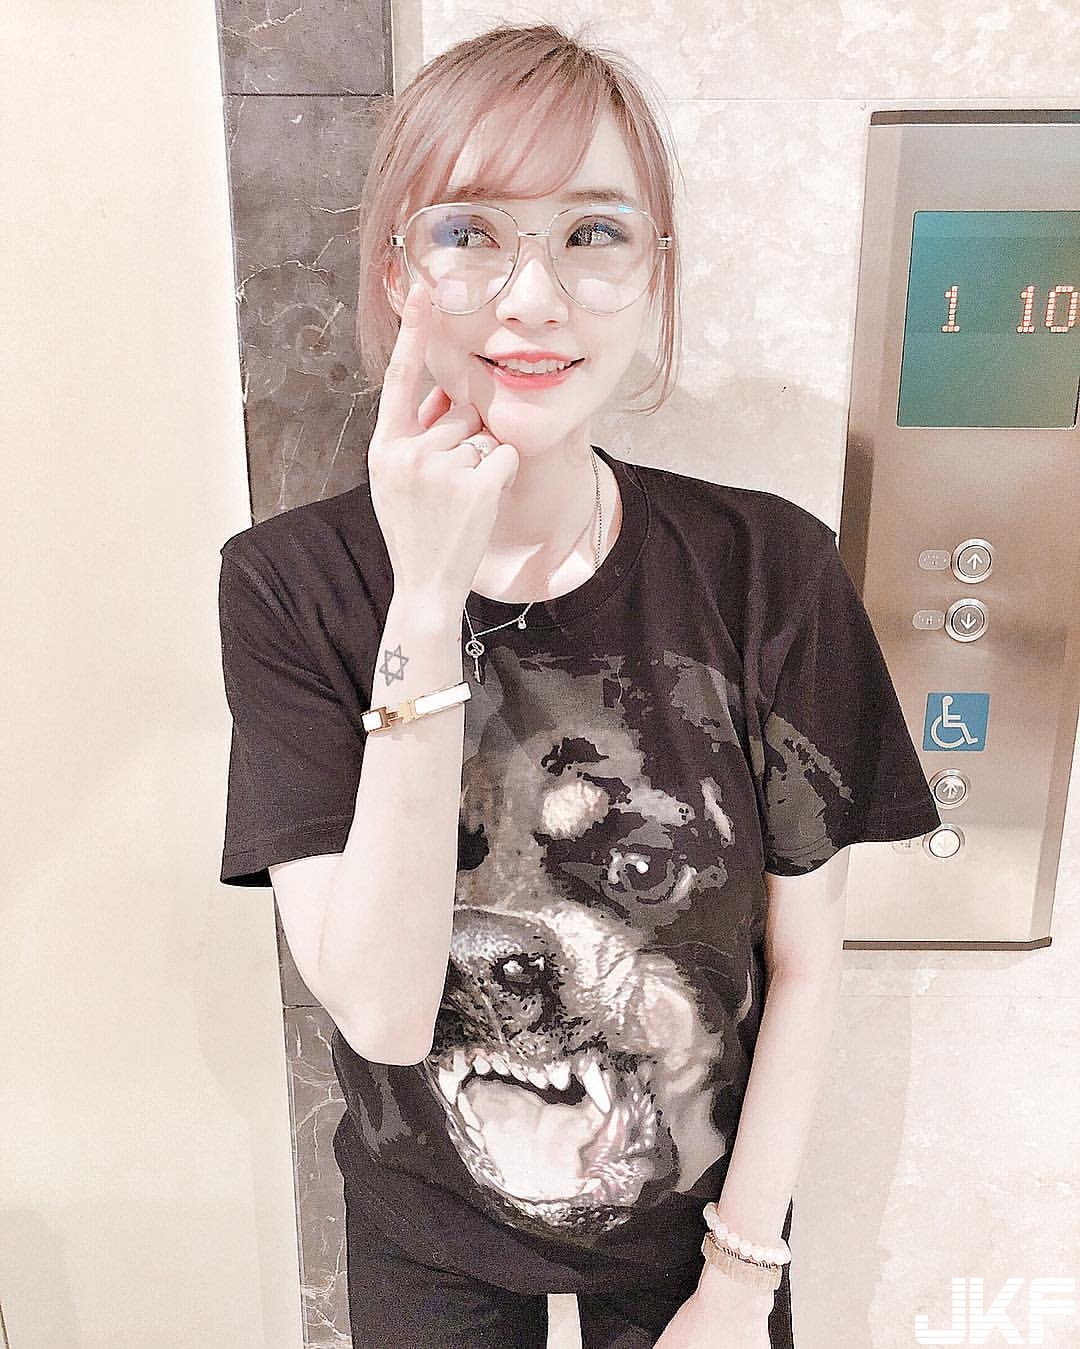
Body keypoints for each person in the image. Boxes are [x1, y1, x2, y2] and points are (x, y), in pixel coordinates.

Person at [216, 22, 940, 1349]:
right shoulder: (291, 587)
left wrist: (742, 1278)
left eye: (593, 232)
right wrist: (425, 597)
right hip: (426, 1230)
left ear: (653, 274)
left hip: (700, 1234)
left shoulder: (769, 571)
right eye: (470, 232)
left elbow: (805, 963)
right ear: (399, 270)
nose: (533, 295)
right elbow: (384, 1013)